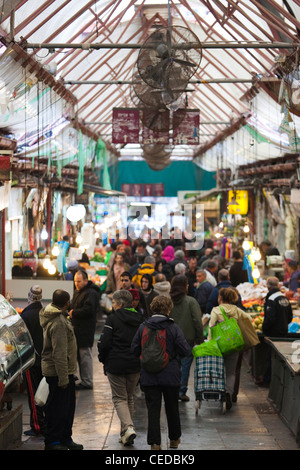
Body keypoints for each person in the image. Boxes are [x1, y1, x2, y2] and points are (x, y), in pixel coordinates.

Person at [131, 295, 191, 451]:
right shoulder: (173, 327)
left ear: (153, 308)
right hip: (170, 375)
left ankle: (155, 443)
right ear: (168, 309)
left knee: (153, 409)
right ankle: (174, 440)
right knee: (172, 407)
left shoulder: (143, 326)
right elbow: (185, 350)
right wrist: (173, 356)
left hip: (149, 376)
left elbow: (134, 349)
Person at [97, 290, 143, 446]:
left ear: (121, 304)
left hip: (116, 363)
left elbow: (104, 343)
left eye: (114, 303)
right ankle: (125, 433)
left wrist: (103, 359)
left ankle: (128, 427)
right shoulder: (140, 319)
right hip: (135, 365)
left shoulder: (113, 319)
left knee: (119, 398)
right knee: (129, 397)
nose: (113, 305)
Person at [39, 289, 82, 450]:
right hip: (58, 373)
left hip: (65, 372)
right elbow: (59, 353)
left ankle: (65, 437)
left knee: (67, 408)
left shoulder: (60, 317)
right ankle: (53, 441)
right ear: (66, 303)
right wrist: (63, 379)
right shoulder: (58, 322)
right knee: (58, 409)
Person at [207, 287, 253, 410]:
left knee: (219, 370)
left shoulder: (216, 310)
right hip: (233, 344)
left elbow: (211, 327)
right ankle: (228, 392)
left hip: (219, 345)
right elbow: (248, 319)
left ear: (220, 298)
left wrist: (210, 342)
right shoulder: (236, 310)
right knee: (231, 372)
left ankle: (220, 392)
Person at [169, 275, 203, 401]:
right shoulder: (191, 302)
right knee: (185, 366)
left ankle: (172, 389)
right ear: (185, 287)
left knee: (173, 365)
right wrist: (199, 338)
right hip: (187, 340)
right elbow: (197, 322)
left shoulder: (168, 302)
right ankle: (181, 391)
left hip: (171, 340)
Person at [258, 277, 293, 387]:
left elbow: (270, 318)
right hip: (284, 331)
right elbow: (290, 316)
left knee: (270, 357)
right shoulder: (284, 298)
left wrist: (265, 329)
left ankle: (267, 380)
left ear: (268, 287)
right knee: (281, 357)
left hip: (273, 333)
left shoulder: (271, 299)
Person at [21, 285, 46, 436]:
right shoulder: (44, 312)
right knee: (44, 393)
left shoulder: (25, 314)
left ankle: (37, 426)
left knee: (33, 394)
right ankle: (46, 423)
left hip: (32, 361)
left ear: (29, 296)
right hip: (45, 360)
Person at [69, 269, 100, 390]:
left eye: (79, 281)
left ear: (86, 280)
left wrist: (74, 312)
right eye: (75, 281)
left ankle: (87, 381)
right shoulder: (79, 291)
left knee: (85, 356)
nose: (77, 283)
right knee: (80, 356)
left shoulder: (91, 293)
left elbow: (89, 310)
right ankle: (84, 380)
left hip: (85, 330)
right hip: (77, 329)